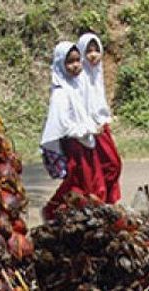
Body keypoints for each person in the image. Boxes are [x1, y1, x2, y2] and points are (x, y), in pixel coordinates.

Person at [40, 41, 104, 220]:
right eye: (70, 62)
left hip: (86, 141)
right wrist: (88, 129)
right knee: (79, 184)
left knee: (90, 182)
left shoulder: (76, 85)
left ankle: (84, 215)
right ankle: (52, 211)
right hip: (75, 144)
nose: (76, 65)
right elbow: (64, 124)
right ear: (61, 64)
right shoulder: (61, 93)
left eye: (78, 60)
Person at [76, 32, 122, 204]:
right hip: (89, 130)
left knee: (112, 165)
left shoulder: (97, 72)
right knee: (101, 169)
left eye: (96, 50)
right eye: (88, 51)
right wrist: (90, 125)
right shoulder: (79, 77)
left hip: (102, 127)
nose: (93, 55)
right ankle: (101, 202)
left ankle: (108, 202)